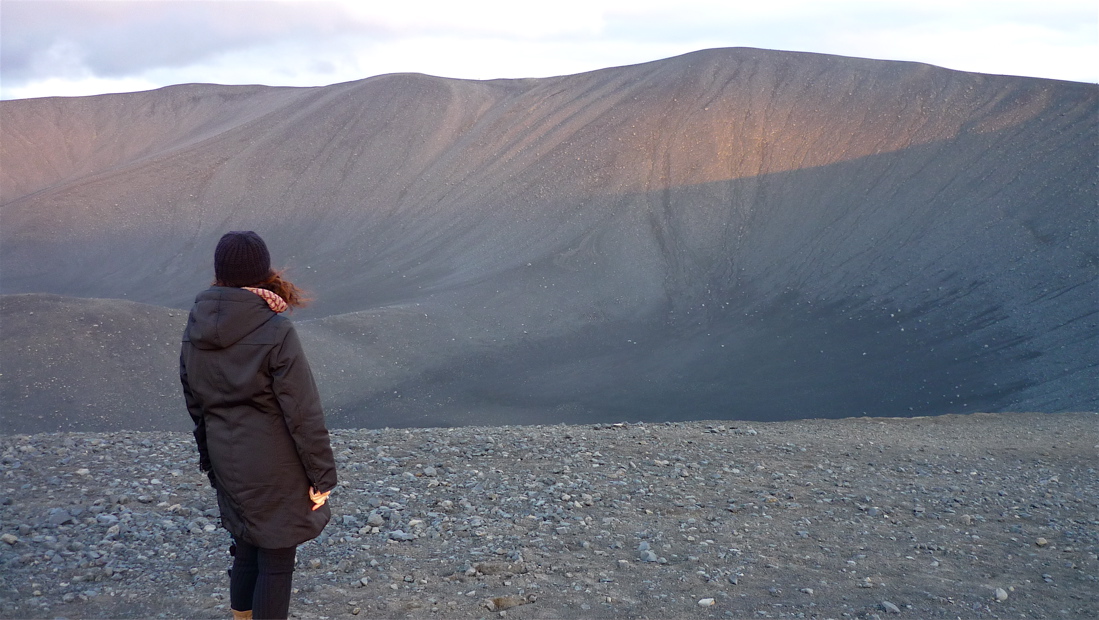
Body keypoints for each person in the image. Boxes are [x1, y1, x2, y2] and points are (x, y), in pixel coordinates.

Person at [180, 231, 337, 620]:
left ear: (219, 273)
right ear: (262, 272)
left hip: (225, 455)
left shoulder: (195, 327)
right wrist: (322, 477)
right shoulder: (275, 329)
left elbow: (194, 402)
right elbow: (302, 412)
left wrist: (210, 461)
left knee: (246, 545)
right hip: (274, 464)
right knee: (277, 559)